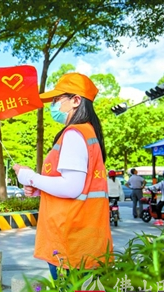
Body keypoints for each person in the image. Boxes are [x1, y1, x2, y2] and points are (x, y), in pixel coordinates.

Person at [12, 72, 113, 280]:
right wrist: (40, 187)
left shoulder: (75, 133)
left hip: (70, 242)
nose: (54, 105)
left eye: (58, 99)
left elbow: (71, 187)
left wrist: (30, 177)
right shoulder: (88, 132)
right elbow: (78, 185)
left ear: (76, 100)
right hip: (85, 238)